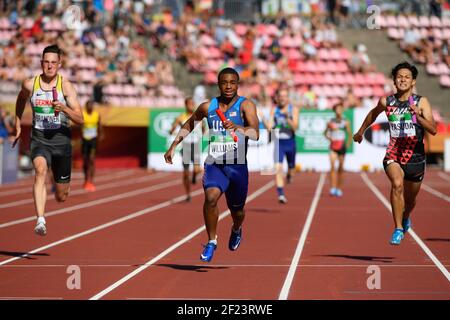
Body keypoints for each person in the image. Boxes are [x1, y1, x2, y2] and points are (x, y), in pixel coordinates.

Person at [164, 67, 259, 262]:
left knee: (238, 211)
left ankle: (236, 228)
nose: (228, 86)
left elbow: (256, 134)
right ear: (218, 84)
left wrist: (239, 128)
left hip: (237, 166)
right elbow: (190, 124)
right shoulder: (208, 107)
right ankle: (211, 241)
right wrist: (174, 146)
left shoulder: (245, 105)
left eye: (233, 82)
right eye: (224, 82)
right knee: (210, 197)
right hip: (215, 164)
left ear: (238, 84)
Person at [353, 62, 437, 245]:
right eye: (399, 77)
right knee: (397, 184)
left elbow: (433, 130)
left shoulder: (421, 102)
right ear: (394, 81)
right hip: (394, 153)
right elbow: (373, 114)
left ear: (413, 81)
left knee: (411, 200)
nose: (403, 80)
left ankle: (406, 217)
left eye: (407, 77)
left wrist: (418, 116)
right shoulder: (387, 101)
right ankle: (398, 228)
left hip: (415, 157)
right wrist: (360, 132)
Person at [12, 44, 84, 236]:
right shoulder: (30, 84)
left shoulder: (65, 86)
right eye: (46, 62)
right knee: (40, 171)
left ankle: (57, 180)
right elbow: (20, 100)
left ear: (59, 64)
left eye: (54, 62)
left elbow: (80, 118)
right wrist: (18, 124)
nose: (50, 66)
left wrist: (64, 109)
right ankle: (40, 220)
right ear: (41, 63)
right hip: (39, 138)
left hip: (61, 140)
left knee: (61, 196)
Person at [267, 87, 299, 204]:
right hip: (279, 142)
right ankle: (281, 194)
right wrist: (268, 123)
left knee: (292, 168)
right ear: (277, 98)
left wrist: (287, 118)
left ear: (288, 98)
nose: (282, 98)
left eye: (285, 96)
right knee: (278, 168)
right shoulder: (274, 110)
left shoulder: (293, 109)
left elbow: (296, 127)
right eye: (280, 96)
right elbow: (270, 128)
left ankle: (290, 174)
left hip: (290, 142)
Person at [169, 96, 202, 202]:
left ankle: (194, 177)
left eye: (193, 104)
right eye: (189, 104)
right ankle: (188, 194)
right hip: (186, 146)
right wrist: (172, 129)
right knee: (186, 173)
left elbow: (204, 128)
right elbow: (173, 127)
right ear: (186, 105)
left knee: (197, 170)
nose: (191, 105)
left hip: (196, 145)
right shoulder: (181, 117)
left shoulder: (199, 116)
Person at [324, 102, 352, 197]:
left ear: (342, 110)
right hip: (333, 146)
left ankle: (339, 188)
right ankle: (332, 188)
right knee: (332, 167)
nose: (338, 111)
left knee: (340, 168)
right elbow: (325, 133)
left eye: (340, 109)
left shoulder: (346, 121)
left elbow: (349, 134)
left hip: (341, 146)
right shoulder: (331, 122)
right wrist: (329, 138)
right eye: (336, 109)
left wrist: (347, 144)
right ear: (334, 111)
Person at [81, 100, 102, 192]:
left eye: (91, 105)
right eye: (88, 105)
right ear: (86, 106)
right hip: (85, 140)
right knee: (85, 161)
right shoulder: (83, 114)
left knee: (92, 160)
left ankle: (91, 181)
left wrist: (101, 134)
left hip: (93, 140)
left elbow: (99, 125)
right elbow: (79, 125)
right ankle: (86, 179)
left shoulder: (97, 115)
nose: (90, 107)